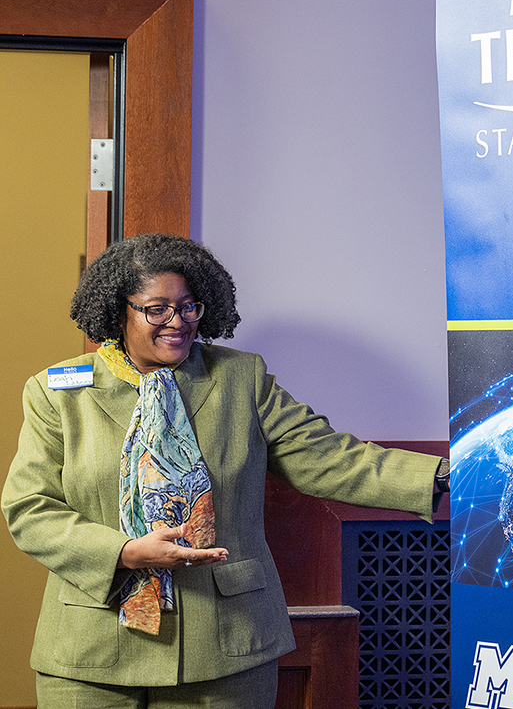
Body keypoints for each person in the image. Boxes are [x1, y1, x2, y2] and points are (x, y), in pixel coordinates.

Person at [2, 233, 451, 708]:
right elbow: (30, 508)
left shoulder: (242, 379)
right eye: (157, 310)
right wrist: (126, 552)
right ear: (119, 311)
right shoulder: (57, 392)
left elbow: (331, 457)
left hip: (224, 647)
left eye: (189, 307)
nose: (178, 323)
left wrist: (447, 475)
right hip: (90, 650)